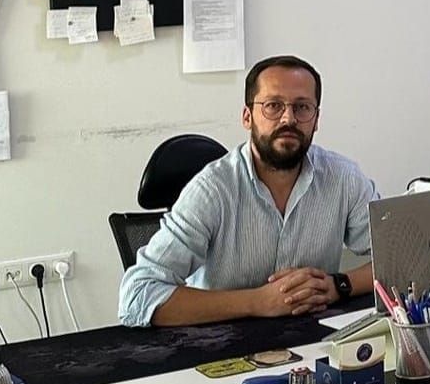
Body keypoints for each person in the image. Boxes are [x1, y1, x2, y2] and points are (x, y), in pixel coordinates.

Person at [119, 55, 379, 327]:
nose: (288, 118)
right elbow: (137, 295)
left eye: (302, 107)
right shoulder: (212, 191)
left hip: (313, 338)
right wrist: (258, 302)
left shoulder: (344, 179)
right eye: (273, 106)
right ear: (247, 116)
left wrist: (340, 285)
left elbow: (401, 257)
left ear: (316, 120)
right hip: (220, 342)